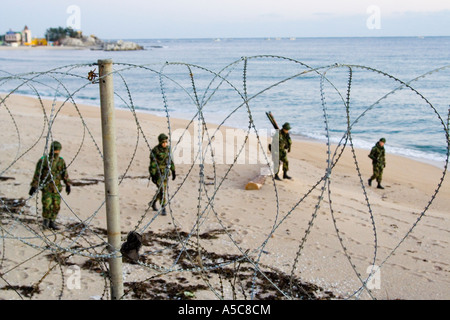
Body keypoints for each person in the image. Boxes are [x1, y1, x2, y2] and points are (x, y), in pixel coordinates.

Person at [29, 141, 71, 230]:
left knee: (56, 205)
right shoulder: (44, 160)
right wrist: (34, 186)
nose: (56, 152)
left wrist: (68, 184)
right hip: (46, 187)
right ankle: (45, 221)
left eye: (57, 151)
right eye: (54, 150)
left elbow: (64, 173)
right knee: (47, 204)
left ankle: (52, 221)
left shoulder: (61, 161)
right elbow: (37, 174)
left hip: (56, 188)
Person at [149, 133, 175, 216]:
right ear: (160, 142)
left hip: (165, 173)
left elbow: (170, 161)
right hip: (158, 173)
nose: (165, 144)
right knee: (162, 190)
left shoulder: (168, 149)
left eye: (166, 142)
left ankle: (152, 202)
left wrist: (173, 171)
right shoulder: (155, 150)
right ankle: (163, 207)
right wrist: (152, 175)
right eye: (163, 142)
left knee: (162, 190)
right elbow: (152, 163)